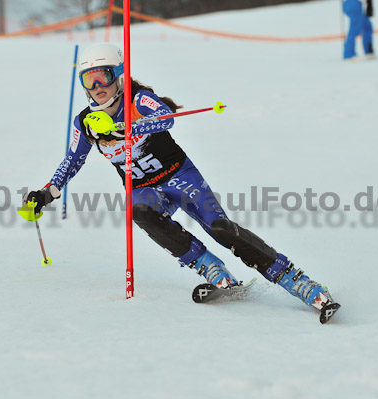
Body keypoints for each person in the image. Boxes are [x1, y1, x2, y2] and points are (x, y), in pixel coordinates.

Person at [25, 43, 338, 317]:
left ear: (118, 74)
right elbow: (71, 161)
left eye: (103, 76)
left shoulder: (138, 98)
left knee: (221, 229)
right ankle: (209, 267)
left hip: (179, 176)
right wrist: (45, 194)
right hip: (143, 188)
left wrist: (125, 129)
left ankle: (296, 280)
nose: (97, 87)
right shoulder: (85, 122)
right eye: (88, 80)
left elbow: (165, 117)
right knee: (142, 213)